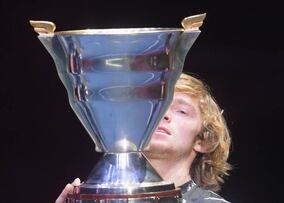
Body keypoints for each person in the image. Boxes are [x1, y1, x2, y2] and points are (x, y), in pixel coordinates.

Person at [55, 73, 232, 203]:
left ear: (203, 141)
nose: (163, 114)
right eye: (153, 107)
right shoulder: (103, 198)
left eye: (181, 111)